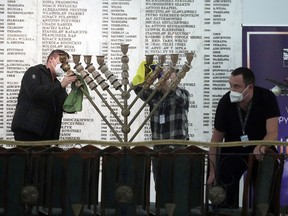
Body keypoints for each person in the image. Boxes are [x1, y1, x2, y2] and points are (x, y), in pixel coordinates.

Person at [207, 67, 280, 208]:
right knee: (223, 195)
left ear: (250, 87)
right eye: (230, 85)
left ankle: (267, 210)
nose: (232, 90)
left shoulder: (267, 97)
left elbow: (272, 133)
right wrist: (212, 172)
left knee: (266, 189)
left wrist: (261, 146)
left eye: (237, 86)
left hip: (259, 152)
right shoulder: (225, 102)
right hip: (232, 152)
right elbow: (215, 140)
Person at [133, 62, 190, 181]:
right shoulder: (154, 95)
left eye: (170, 72)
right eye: (163, 73)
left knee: (179, 185)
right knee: (160, 185)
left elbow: (180, 98)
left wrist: (166, 82)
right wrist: (147, 72)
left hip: (178, 149)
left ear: (178, 76)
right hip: (159, 149)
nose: (166, 75)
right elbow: (137, 88)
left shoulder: (183, 93)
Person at [11, 49, 77, 141]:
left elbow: (66, 106)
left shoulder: (57, 84)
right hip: (28, 130)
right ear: (51, 59)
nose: (64, 66)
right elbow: (35, 93)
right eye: (61, 61)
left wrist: (76, 91)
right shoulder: (34, 72)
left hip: (47, 134)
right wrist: (61, 85)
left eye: (66, 63)